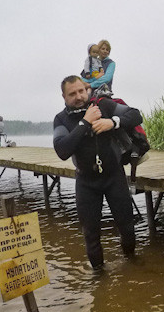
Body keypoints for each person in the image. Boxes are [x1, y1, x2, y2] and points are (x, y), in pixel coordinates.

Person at [53, 76, 142, 271]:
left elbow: (136, 115)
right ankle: (99, 278)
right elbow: (62, 150)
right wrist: (85, 122)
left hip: (113, 176)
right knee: (91, 235)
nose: (78, 96)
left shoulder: (103, 105)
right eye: (72, 94)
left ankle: (131, 267)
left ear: (86, 89)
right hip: (86, 182)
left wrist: (113, 122)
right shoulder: (61, 119)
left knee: (127, 227)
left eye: (81, 91)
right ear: (64, 96)